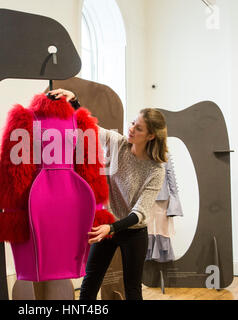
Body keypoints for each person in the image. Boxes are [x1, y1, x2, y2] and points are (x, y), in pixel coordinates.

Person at [47, 88, 168, 300]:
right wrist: (74, 100)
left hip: (133, 231)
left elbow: (139, 213)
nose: (131, 129)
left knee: (132, 289)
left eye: (138, 128)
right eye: (132, 123)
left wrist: (110, 228)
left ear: (150, 136)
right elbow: (90, 127)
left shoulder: (156, 170)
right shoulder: (118, 143)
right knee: (90, 281)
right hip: (108, 225)